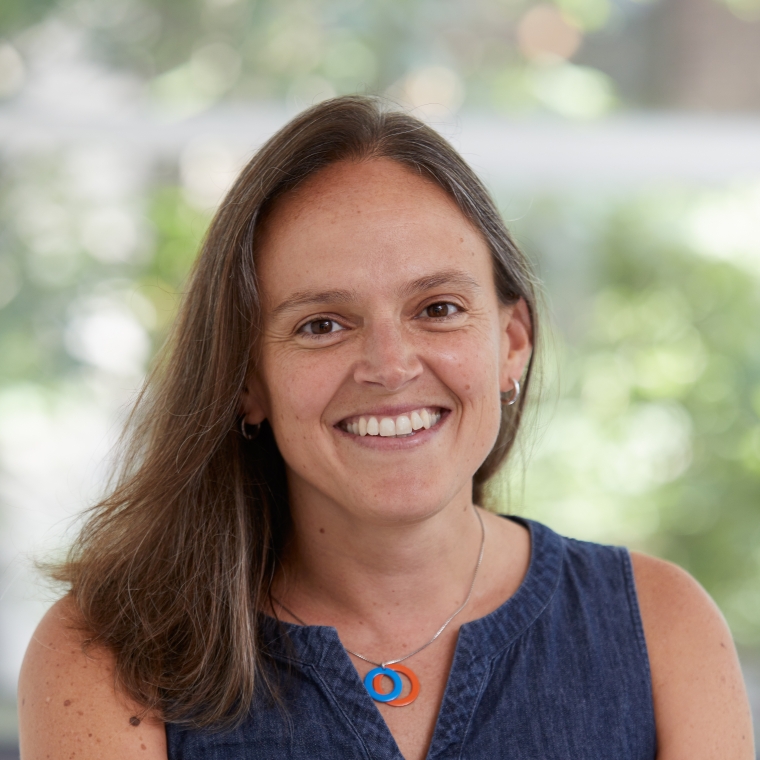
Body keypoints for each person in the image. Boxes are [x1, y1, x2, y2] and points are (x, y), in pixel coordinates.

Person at [18, 96, 754, 760]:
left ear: (513, 343)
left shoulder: (663, 628)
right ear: (246, 382)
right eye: (322, 324)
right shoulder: (106, 657)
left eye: (437, 308)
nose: (390, 365)